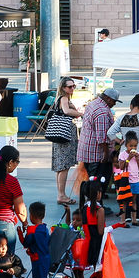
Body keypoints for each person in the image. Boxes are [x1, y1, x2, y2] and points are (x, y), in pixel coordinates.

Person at [72, 176, 112, 278]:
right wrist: (112, 227)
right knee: (104, 274)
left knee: (100, 272)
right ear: (97, 194)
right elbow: (101, 231)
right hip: (100, 245)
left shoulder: (84, 208)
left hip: (89, 244)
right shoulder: (99, 210)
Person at [49, 77, 82, 206]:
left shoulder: (64, 99)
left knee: (60, 167)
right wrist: (79, 113)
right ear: (63, 88)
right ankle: (61, 195)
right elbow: (66, 111)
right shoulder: (63, 99)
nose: (72, 88)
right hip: (64, 136)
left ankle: (61, 194)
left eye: (73, 86)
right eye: (69, 86)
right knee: (64, 166)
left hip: (60, 135)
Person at [76, 87, 119, 181]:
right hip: (96, 153)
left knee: (91, 179)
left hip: (87, 149)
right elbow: (102, 137)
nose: (114, 104)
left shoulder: (93, 103)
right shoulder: (102, 112)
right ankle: (96, 195)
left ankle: (93, 194)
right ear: (108, 98)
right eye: (114, 101)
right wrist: (106, 154)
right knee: (98, 181)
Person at [20, 202, 50, 278]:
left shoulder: (33, 230)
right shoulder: (44, 228)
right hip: (43, 259)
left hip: (38, 260)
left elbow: (25, 243)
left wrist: (20, 233)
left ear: (32, 216)